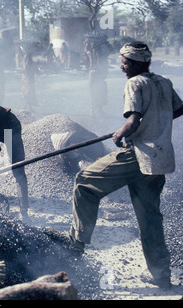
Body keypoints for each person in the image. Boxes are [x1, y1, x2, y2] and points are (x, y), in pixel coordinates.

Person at [65, 42, 183, 289]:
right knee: (150, 218)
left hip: (137, 154)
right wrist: (156, 122)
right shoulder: (163, 82)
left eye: (125, 62)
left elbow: (133, 119)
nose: (121, 66)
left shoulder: (135, 83)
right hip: (160, 158)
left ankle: (76, 245)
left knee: (85, 182)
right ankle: (161, 275)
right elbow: (179, 108)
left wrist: (120, 133)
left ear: (139, 62)